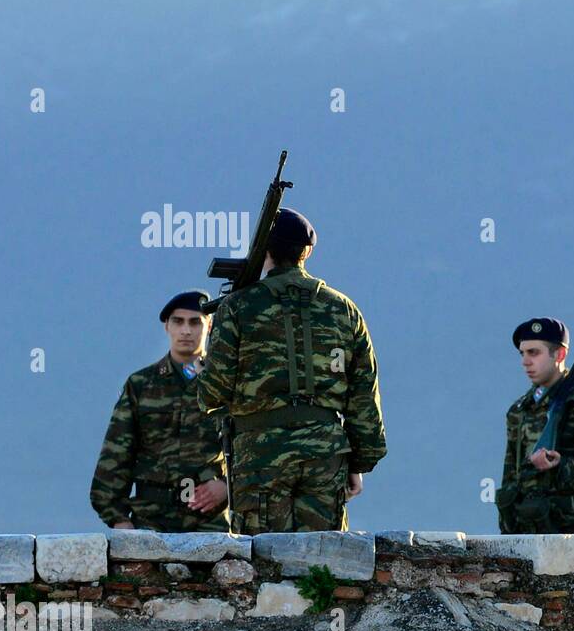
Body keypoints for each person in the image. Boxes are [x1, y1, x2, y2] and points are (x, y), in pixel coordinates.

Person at [197, 208, 386, 534]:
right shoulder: (343, 309)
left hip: (260, 457)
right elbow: (363, 396)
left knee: (265, 565)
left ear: (264, 250)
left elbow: (214, 392)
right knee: (324, 563)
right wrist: (357, 463)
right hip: (325, 456)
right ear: (307, 251)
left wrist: (204, 373)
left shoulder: (238, 306)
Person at [90, 290, 230, 532]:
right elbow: (117, 453)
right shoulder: (142, 384)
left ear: (208, 327)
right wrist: (118, 518)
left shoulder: (227, 382)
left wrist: (228, 487)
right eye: (178, 321)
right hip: (151, 518)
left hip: (210, 519)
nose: (186, 330)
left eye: (195, 322)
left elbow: (250, 445)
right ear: (167, 327)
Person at [496, 317, 574, 533]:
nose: (525, 361)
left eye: (534, 352)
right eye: (522, 353)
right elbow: (511, 475)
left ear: (560, 354)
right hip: (525, 530)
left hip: (572, 534)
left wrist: (561, 465)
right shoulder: (519, 410)